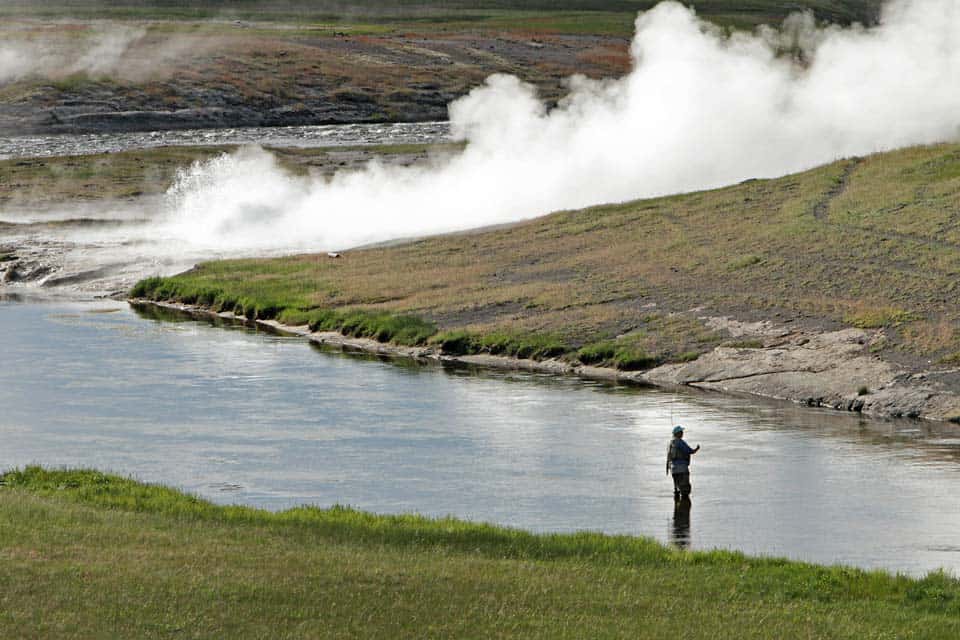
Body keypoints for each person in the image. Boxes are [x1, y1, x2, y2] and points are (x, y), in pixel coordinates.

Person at [666, 425, 700, 501]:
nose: (682, 433)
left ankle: (677, 508)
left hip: (673, 469)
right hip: (682, 469)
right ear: (678, 433)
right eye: (681, 432)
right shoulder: (680, 442)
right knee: (685, 491)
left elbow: (668, 457)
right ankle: (684, 509)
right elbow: (690, 451)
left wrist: (668, 468)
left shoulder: (670, 443)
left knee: (677, 490)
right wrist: (697, 449)